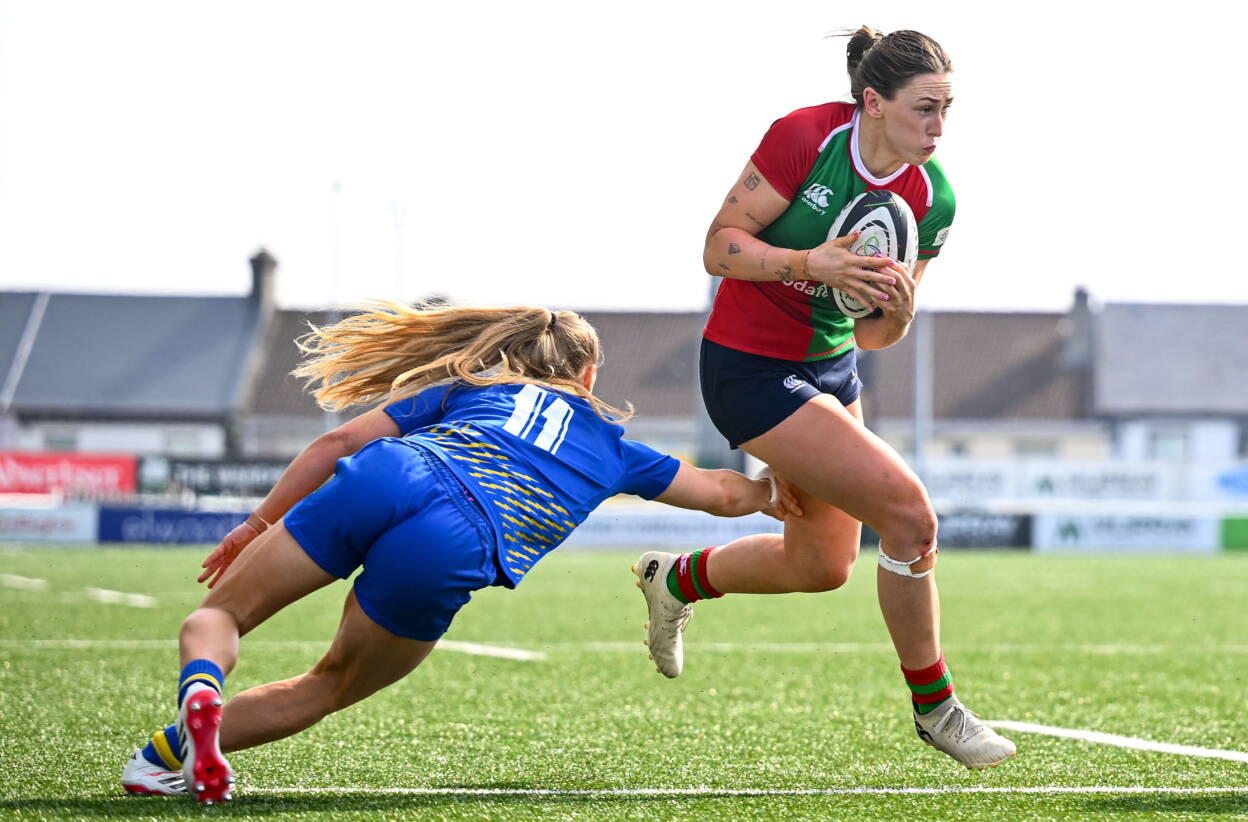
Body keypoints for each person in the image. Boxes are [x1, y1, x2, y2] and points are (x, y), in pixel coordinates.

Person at [119, 303, 799, 803]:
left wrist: (255, 523)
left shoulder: (473, 388)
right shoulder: (616, 449)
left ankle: (190, 709)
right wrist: (783, 484)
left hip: (394, 473)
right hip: (459, 541)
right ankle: (175, 752)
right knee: (330, 684)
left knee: (220, 616)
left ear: (519, 359)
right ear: (589, 375)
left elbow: (336, 443)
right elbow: (723, 493)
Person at [631, 26, 1016, 770]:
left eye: (947, 110)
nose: (939, 127)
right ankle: (937, 710)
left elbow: (874, 336)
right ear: (873, 103)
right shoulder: (805, 138)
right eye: (925, 108)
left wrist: (899, 315)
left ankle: (674, 578)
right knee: (911, 518)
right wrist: (809, 262)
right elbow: (718, 246)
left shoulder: (933, 198)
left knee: (821, 566)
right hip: (747, 369)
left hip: (832, 371)